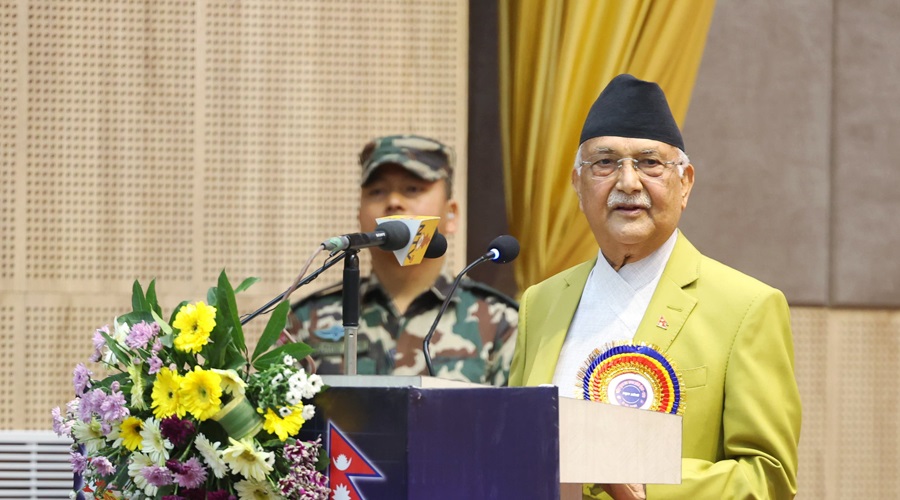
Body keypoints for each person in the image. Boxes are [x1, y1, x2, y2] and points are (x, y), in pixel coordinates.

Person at [508, 75, 801, 499]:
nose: (628, 182)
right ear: (577, 185)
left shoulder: (746, 307)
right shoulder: (542, 302)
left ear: (686, 183)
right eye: (605, 162)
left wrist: (647, 484)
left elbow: (769, 476)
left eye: (649, 163)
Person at [285, 134, 518, 386]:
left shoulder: (499, 321)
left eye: (412, 189)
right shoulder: (307, 319)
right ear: (359, 216)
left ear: (451, 215)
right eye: (377, 191)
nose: (394, 202)